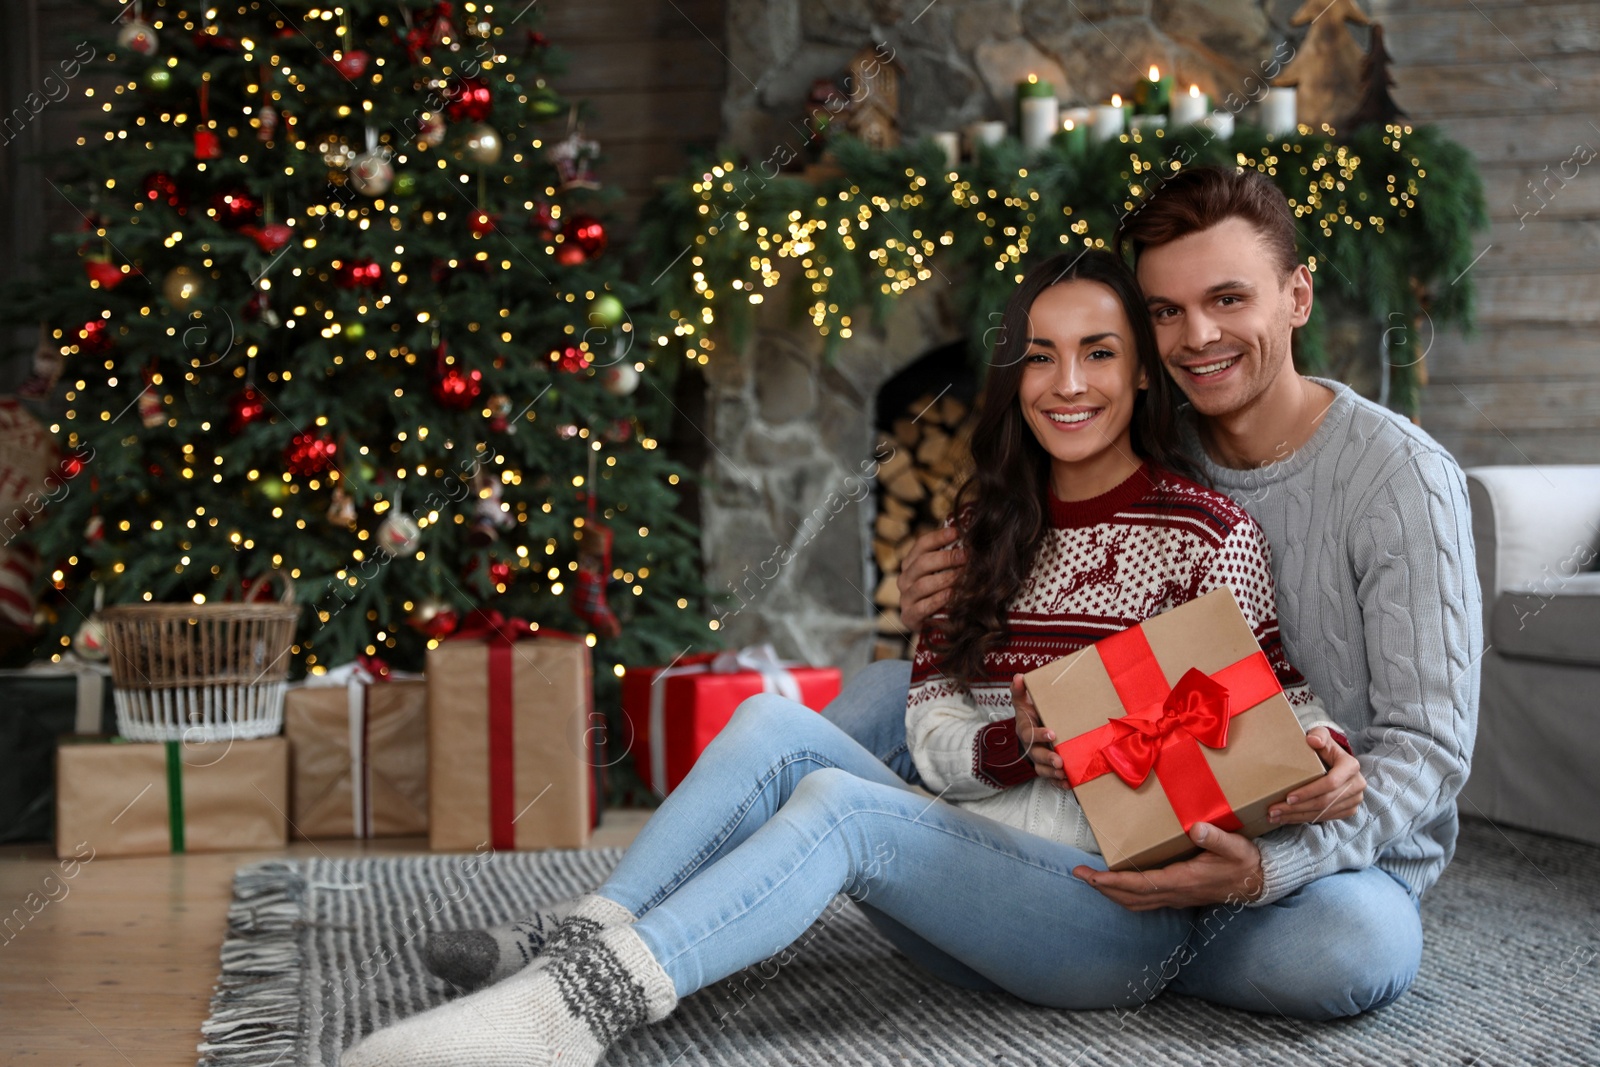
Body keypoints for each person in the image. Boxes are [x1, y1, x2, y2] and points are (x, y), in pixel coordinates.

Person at [341, 249, 1365, 1067]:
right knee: (776, 724)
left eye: (1098, 352)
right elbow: (928, 727)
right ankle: (576, 939)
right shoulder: (975, 528)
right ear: (1012, 376)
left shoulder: (1202, 532)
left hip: (1109, 917)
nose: (1069, 385)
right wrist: (1012, 743)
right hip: (962, 898)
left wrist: (1319, 753)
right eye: (1041, 356)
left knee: (837, 801)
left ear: (1139, 369)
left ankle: (571, 1011)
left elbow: (1265, 711)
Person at [847, 165, 1482, 1015]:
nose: (1198, 337)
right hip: (1125, 807)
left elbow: (1429, 748)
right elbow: (1017, 554)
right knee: (879, 696)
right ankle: (1066, 921)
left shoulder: (1401, 477)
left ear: (1297, 296)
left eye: (1228, 299)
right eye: (1166, 312)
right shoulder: (1142, 439)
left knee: (1351, 951)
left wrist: (1268, 868)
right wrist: (938, 588)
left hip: (1318, 853)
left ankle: (1062, 935)